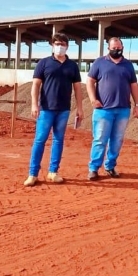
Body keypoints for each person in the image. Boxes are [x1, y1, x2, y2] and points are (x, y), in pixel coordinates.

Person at [24, 33, 83, 187]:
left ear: (67, 46)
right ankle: (33, 174)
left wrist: (80, 108)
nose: (60, 46)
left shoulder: (72, 66)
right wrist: (34, 104)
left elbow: (77, 88)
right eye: (57, 43)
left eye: (63, 44)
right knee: (40, 140)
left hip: (63, 110)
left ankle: (53, 172)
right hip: (46, 109)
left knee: (58, 140)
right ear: (52, 45)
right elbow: (36, 85)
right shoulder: (44, 63)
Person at [86, 37, 138, 180]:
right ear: (108, 48)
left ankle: (110, 166)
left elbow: (134, 86)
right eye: (114, 48)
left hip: (123, 110)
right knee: (100, 140)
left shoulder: (128, 65)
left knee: (117, 140)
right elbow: (90, 81)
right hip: (103, 110)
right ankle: (93, 168)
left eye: (119, 47)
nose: (117, 50)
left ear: (122, 47)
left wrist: (137, 104)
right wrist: (93, 99)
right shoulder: (99, 62)